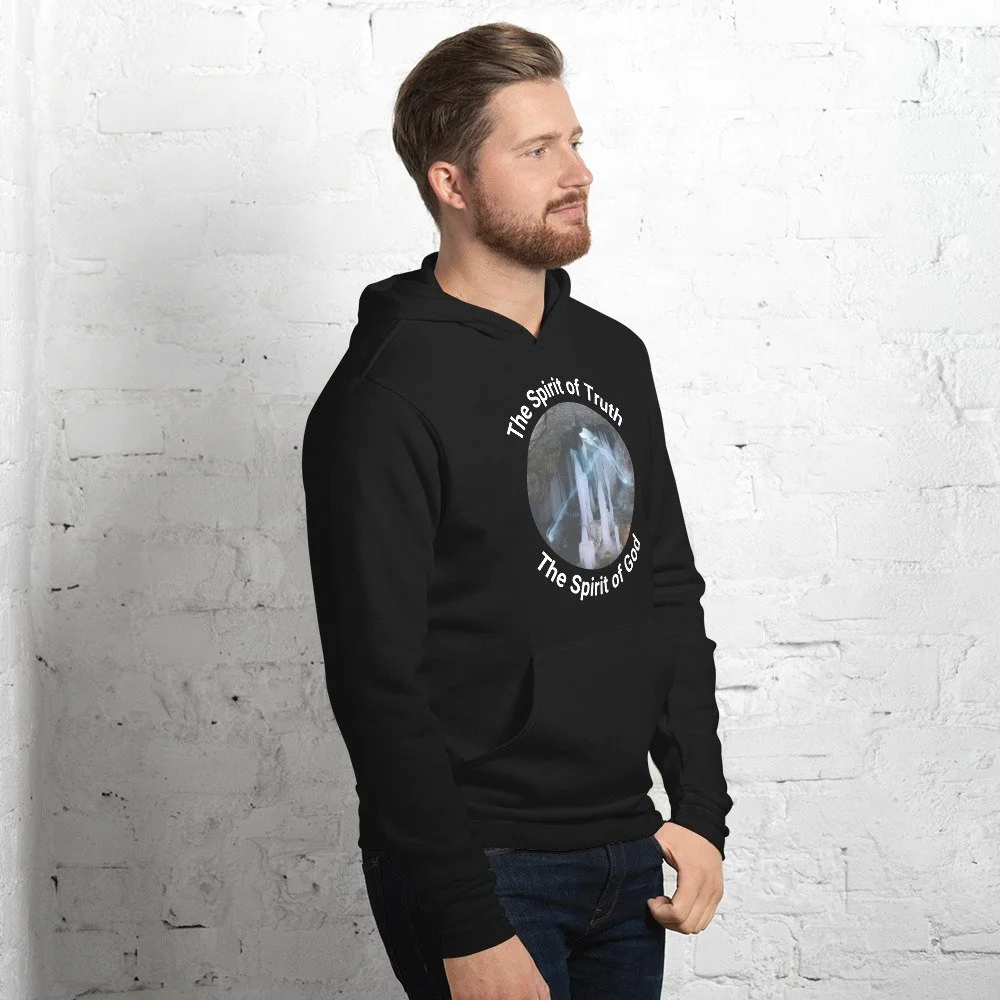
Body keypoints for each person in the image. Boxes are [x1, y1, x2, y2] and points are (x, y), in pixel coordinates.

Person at [300, 21, 733, 1000]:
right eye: (536, 151)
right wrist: (466, 921)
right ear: (451, 183)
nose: (576, 172)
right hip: (488, 866)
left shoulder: (613, 354)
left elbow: (665, 587)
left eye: (573, 142)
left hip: (629, 846)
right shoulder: (385, 394)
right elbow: (377, 683)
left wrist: (701, 811)